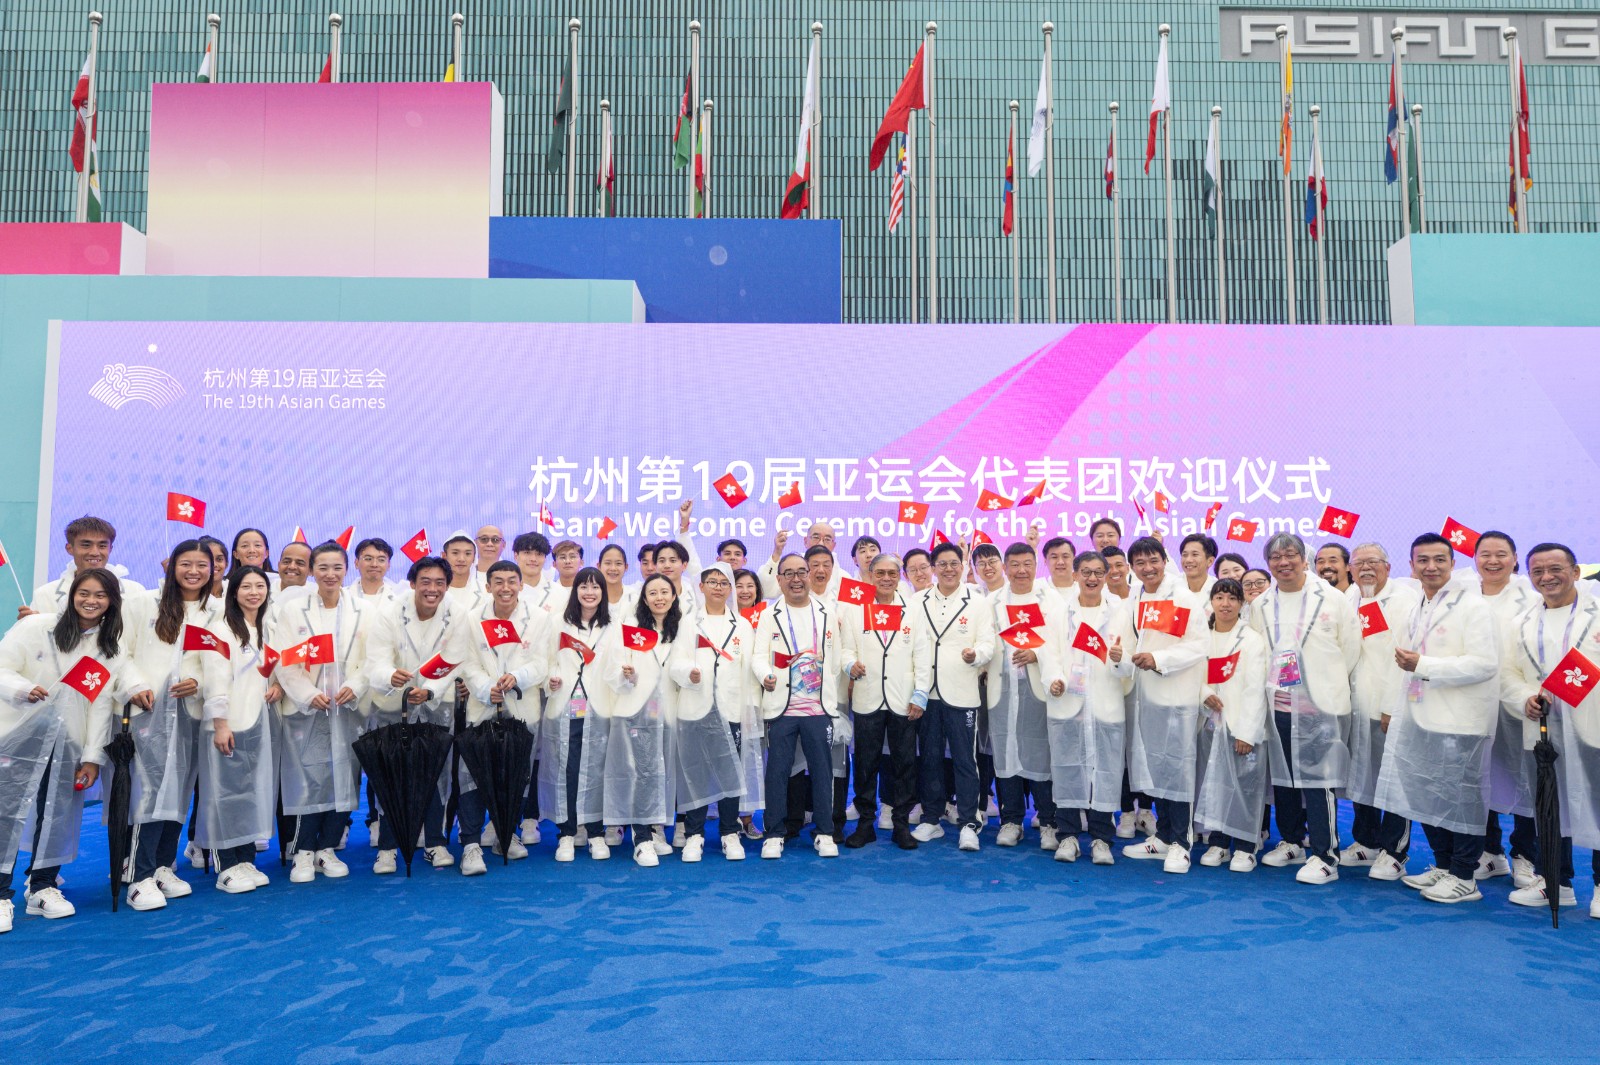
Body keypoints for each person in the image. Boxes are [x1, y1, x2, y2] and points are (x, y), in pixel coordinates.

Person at [1373, 534, 1498, 904]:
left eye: (1439, 560)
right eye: (1423, 560)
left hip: (1461, 721)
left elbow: (1484, 664)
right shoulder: (1419, 605)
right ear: (1412, 566)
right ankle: (1444, 865)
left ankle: (1465, 875)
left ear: (1453, 563)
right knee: (1429, 795)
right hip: (1422, 716)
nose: (1431, 567)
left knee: (1462, 799)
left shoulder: (1473, 606)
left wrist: (1424, 665)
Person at [0, 568, 125, 929]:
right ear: (71, 595)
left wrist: (92, 758)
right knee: (7, 812)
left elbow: (100, 706)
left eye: (100, 595)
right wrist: (23, 689)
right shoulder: (35, 627)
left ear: (111, 602)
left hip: (68, 741)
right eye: (84, 593)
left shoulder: (107, 649)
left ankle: (42, 886)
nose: (91, 601)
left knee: (58, 812)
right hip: (19, 736)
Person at [123, 540, 229, 910]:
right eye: (186, 563)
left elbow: (223, 660)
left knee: (180, 791)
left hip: (191, 713)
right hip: (149, 711)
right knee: (150, 791)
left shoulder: (218, 611)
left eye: (202, 565)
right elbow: (118, 651)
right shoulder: (143, 603)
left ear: (213, 570)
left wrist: (199, 682)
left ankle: (162, 866)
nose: (194, 571)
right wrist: (135, 685)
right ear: (172, 566)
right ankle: (138, 876)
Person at [1252, 532, 1362, 885]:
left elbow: (1351, 649)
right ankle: (1292, 841)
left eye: (1290, 555)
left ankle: (1325, 855)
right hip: (1278, 705)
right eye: (1275, 557)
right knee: (1283, 777)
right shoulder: (1261, 604)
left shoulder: (1332, 598)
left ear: (1304, 559)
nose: (1283, 562)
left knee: (1319, 780)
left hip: (1320, 706)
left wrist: (1321, 687)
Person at [1500, 543, 1600, 916]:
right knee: (1550, 808)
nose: (1547, 577)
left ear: (1575, 572)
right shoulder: (1521, 622)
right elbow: (1508, 673)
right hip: (1544, 731)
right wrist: (1523, 697)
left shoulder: (1597, 612)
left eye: (1555, 568)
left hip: (1593, 727)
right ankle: (1556, 881)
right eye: (1538, 571)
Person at [273, 541, 371, 885]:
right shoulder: (293, 610)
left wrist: (356, 685)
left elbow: (372, 658)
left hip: (347, 708)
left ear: (347, 570)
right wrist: (308, 693)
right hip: (308, 710)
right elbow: (285, 658)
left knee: (344, 776)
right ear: (313, 571)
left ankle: (327, 848)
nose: (330, 574)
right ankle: (302, 850)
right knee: (308, 779)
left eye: (337, 567)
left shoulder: (363, 610)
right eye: (323, 567)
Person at [1111, 536, 1207, 874]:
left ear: (1164, 561)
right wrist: (1120, 656)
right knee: (1158, 767)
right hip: (1145, 697)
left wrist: (1159, 659)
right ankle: (1164, 836)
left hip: (1176, 696)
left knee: (1178, 769)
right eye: (1140, 563)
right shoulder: (1135, 598)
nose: (1148, 568)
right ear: (1132, 567)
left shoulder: (1182, 597)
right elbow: (1127, 644)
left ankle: (1182, 843)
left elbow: (1199, 645)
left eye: (1153, 560)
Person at [446, 560, 550, 872]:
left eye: (511, 581)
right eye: (499, 582)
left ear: (521, 585)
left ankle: (506, 833)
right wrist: (484, 688)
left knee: (516, 776)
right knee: (473, 776)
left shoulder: (539, 618)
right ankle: (471, 844)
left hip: (522, 708)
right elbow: (466, 662)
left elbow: (543, 662)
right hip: (482, 708)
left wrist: (517, 677)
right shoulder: (472, 619)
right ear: (488, 586)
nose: (506, 588)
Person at [362, 555, 460, 874]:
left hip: (435, 705)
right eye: (425, 582)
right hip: (393, 705)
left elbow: (456, 659)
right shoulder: (390, 613)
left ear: (447, 586)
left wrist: (430, 690)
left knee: (434, 774)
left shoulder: (456, 615)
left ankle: (435, 843)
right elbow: (375, 661)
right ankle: (388, 848)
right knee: (393, 777)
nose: (432, 589)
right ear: (413, 583)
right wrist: (390, 676)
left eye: (440, 583)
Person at [753, 554, 843, 859]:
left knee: (822, 772)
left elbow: (835, 658)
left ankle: (825, 832)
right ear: (779, 580)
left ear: (809, 575)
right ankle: (774, 833)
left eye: (801, 572)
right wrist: (765, 675)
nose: (796, 579)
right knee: (777, 772)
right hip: (782, 706)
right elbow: (758, 656)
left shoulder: (827, 613)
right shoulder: (769, 614)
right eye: (788, 573)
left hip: (818, 707)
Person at [601, 574, 693, 867]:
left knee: (662, 772)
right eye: (652, 593)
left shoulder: (682, 628)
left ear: (674, 596)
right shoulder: (629, 627)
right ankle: (640, 839)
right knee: (641, 774)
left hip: (669, 713)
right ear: (644, 598)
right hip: (636, 712)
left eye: (665, 592)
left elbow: (684, 665)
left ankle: (655, 829)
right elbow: (614, 666)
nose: (659, 597)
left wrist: (690, 673)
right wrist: (626, 674)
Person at [1342, 542, 1421, 881]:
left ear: (1388, 567)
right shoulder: (1350, 598)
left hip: (1387, 706)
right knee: (1363, 773)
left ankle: (1395, 850)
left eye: (1373, 562)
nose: (1366, 568)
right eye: (1358, 563)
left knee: (1394, 778)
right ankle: (1366, 841)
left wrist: (1391, 706)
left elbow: (1403, 659)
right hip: (1355, 706)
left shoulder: (1403, 601)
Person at [839, 552, 928, 850]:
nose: (886, 579)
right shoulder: (855, 611)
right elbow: (846, 650)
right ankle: (866, 824)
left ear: (900, 576)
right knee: (866, 764)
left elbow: (922, 654)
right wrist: (849, 665)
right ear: (870, 575)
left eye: (892, 573)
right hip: (868, 697)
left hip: (903, 698)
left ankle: (901, 824)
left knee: (905, 764)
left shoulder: (912, 610)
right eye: (880, 573)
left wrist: (920, 694)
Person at [911, 541, 995, 852]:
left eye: (954, 564)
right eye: (942, 564)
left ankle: (969, 823)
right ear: (933, 568)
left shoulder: (978, 602)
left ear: (963, 566)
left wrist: (977, 655)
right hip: (926, 693)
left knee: (965, 761)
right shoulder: (917, 601)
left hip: (962, 692)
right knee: (930, 759)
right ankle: (931, 819)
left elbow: (988, 643)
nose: (948, 569)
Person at [1046, 551, 1127, 865]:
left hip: (1105, 703)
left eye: (1098, 572)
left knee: (1105, 772)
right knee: (1067, 769)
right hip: (1069, 702)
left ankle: (1101, 839)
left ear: (1106, 576)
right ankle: (1067, 836)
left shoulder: (1120, 611)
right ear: (1076, 575)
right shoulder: (1059, 611)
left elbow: (1128, 660)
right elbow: (1049, 653)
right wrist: (1054, 679)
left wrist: (1119, 659)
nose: (1092, 578)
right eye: (1086, 572)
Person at [202, 565, 278, 892]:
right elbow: (215, 680)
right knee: (224, 795)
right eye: (246, 586)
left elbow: (269, 670)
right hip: (227, 725)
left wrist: (277, 686)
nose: (253, 592)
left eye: (260, 586)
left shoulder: (264, 628)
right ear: (233, 592)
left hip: (256, 722)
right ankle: (226, 866)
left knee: (249, 793)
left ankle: (246, 859)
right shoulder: (220, 629)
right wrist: (220, 724)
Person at [676, 563, 754, 861]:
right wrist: (689, 673)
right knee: (695, 773)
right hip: (696, 708)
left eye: (724, 582)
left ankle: (729, 832)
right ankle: (694, 834)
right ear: (702, 587)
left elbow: (748, 669)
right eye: (712, 581)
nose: (718, 587)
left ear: (730, 589)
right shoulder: (688, 622)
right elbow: (676, 663)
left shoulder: (742, 625)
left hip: (730, 709)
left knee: (729, 772)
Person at [1475, 530, 1541, 886]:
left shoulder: (1531, 598)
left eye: (1501, 554)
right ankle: (1490, 852)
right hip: (1473, 702)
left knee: (1524, 778)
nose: (1493, 561)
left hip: (1519, 703)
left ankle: (1524, 855)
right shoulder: (1463, 596)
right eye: (1485, 554)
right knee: (1479, 776)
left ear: (1515, 559)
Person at [1194, 579, 1271, 872]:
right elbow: (1192, 674)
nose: (1225, 604)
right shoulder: (1202, 637)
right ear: (1211, 601)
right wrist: (1204, 694)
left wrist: (1247, 733)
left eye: (1232, 598)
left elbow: (1255, 689)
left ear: (1241, 604)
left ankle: (1246, 847)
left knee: (1245, 787)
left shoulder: (1251, 640)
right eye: (1219, 597)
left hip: (1240, 725)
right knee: (1214, 784)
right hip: (1210, 725)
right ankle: (1218, 842)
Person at [984, 542, 1055, 849]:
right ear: (1005, 567)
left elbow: (1061, 641)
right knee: (1006, 754)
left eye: (1027, 564)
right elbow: (984, 640)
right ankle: (1011, 820)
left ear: (1036, 566)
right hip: (1003, 689)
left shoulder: (1049, 599)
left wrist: (1038, 654)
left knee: (1041, 755)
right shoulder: (993, 602)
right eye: (1014, 564)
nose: (1021, 570)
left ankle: (1048, 821)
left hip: (1038, 688)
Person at [540, 566, 613, 862]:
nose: (589, 592)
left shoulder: (613, 626)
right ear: (575, 591)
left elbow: (618, 666)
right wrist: (551, 679)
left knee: (597, 769)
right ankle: (567, 833)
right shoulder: (558, 622)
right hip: (567, 707)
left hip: (600, 708)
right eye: (584, 586)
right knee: (567, 769)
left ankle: (595, 832)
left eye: (595, 587)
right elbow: (546, 660)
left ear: (603, 592)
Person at [22, 515, 147, 621]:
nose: (95, 552)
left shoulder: (135, 591)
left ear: (110, 549)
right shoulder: (45, 595)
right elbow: (39, 638)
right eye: (86, 545)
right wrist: (29, 625)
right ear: (69, 548)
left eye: (102, 546)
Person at [350, 538, 401, 606]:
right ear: (356, 563)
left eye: (381, 560)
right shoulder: (342, 596)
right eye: (368, 559)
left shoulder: (399, 597)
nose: (374, 564)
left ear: (388, 565)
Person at [515, 532, 557, 610]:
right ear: (516, 556)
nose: (533, 559)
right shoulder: (504, 591)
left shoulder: (559, 593)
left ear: (545, 558)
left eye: (539, 554)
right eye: (527, 553)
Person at [1037, 536, 1078, 609]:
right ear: (1045, 561)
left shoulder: (1085, 589)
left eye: (1065, 556)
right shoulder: (1037, 590)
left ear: (1074, 560)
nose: (1060, 562)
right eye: (1054, 557)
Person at [1179, 534, 1219, 607]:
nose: (1188, 560)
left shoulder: (1219, 589)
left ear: (1210, 561)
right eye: (1185, 555)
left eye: (1195, 555)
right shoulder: (1172, 587)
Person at [597, 543, 633, 613]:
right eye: (608, 563)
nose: (613, 568)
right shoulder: (591, 597)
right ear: (599, 566)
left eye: (618, 563)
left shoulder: (635, 597)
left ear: (626, 567)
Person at [469, 526, 506, 590]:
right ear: (475, 543)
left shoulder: (513, 573)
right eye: (484, 539)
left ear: (503, 545)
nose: (489, 544)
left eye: (495, 540)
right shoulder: (465, 572)